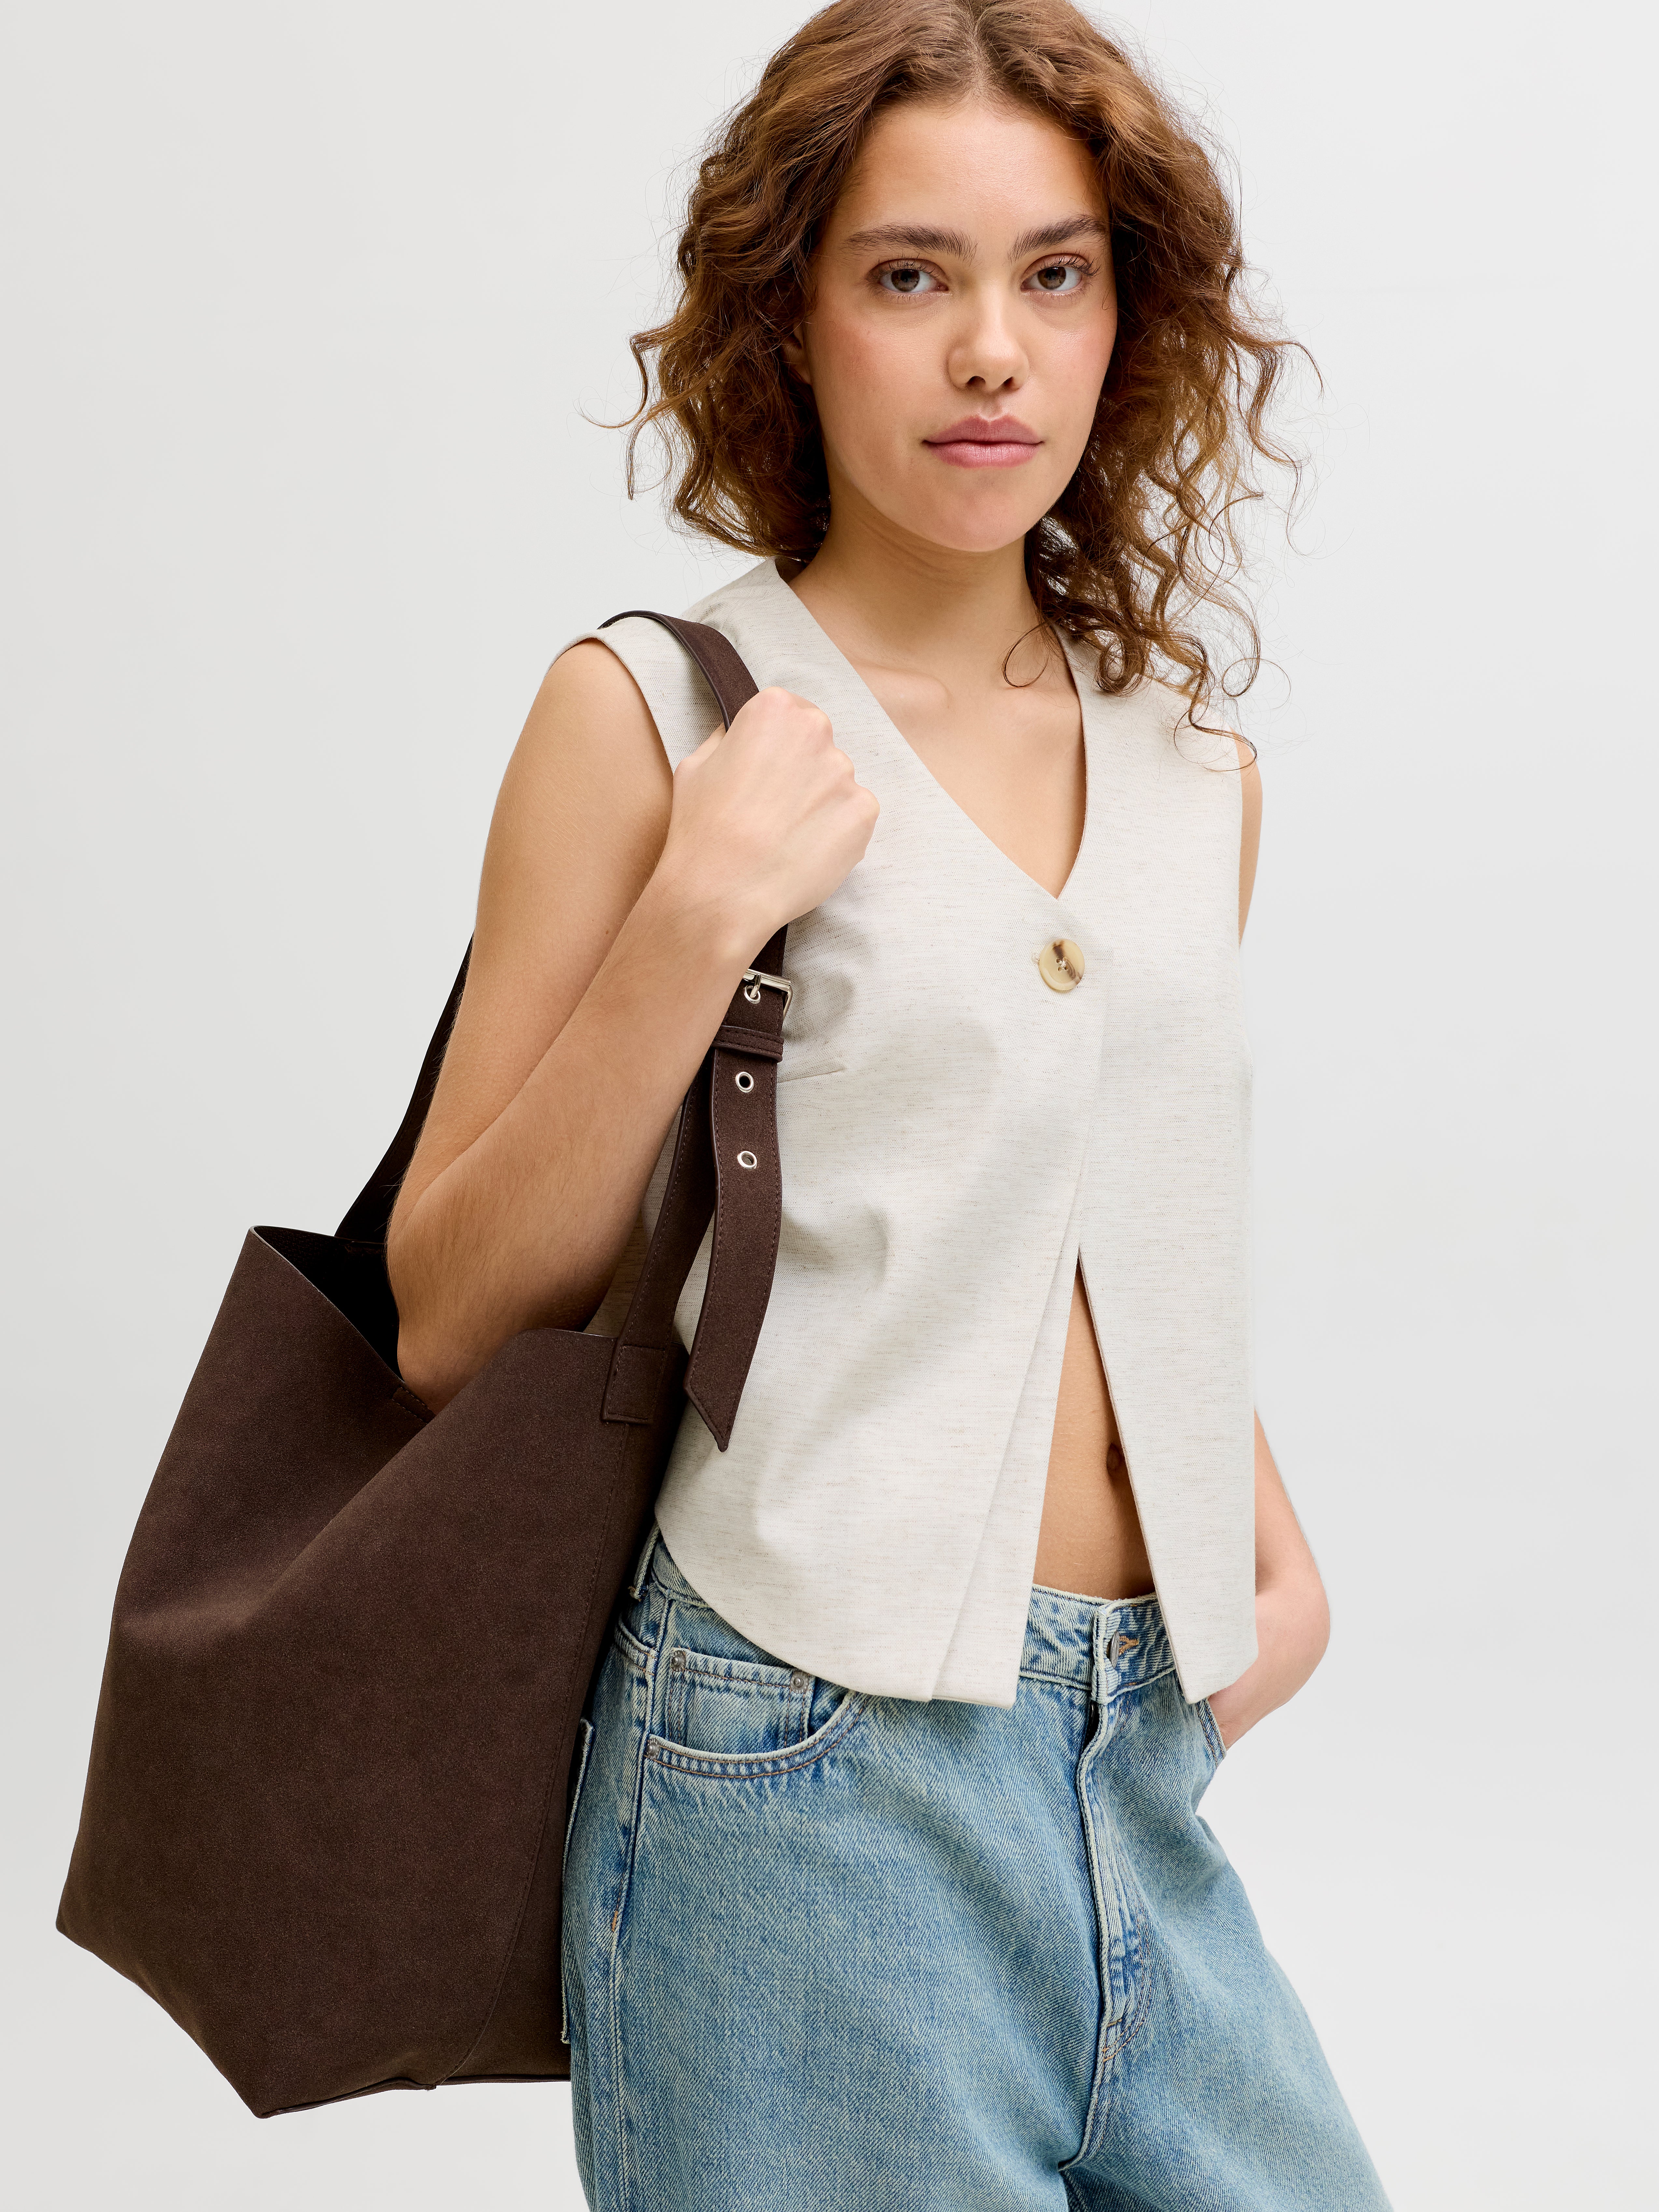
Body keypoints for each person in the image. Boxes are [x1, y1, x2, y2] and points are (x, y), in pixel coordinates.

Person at [387, 2, 1390, 2204]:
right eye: (909, 273)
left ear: (1128, 320)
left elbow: (1069, 1203)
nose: (990, 352)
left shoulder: (1190, 770)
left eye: (1056, 274)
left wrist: (1260, 1561)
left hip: (1135, 1750)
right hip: (800, 1755)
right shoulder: (651, 713)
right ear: (792, 314)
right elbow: (448, 1315)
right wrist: (694, 918)